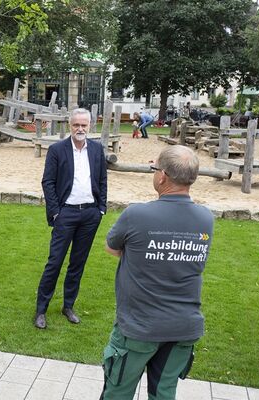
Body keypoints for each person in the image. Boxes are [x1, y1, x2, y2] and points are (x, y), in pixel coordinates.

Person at [101, 145, 214, 400]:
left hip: (139, 327)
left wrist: (142, 255)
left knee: (117, 393)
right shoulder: (205, 218)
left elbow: (111, 247)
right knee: (164, 394)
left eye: (154, 169)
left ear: (162, 176)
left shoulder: (137, 214)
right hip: (183, 327)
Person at [34, 108, 107, 329]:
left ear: (90, 126)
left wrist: (101, 208)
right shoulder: (57, 150)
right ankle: (41, 310)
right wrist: (56, 212)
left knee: (78, 263)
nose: (80, 129)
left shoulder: (96, 149)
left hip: (90, 214)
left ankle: (68, 306)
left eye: (84, 125)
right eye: (76, 125)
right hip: (65, 213)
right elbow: (48, 182)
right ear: (69, 125)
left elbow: (103, 180)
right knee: (54, 262)